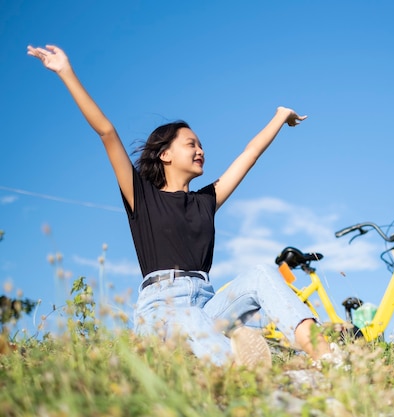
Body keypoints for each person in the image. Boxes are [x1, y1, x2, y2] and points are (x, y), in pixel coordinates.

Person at [27, 44, 335, 368]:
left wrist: (279, 116)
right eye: (191, 144)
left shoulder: (205, 200)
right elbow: (106, 132)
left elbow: (249, 154)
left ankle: (327, 358)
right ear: (165, 154)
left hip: (208, 306)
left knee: (260, 274)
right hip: (161, 312)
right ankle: (244, 373)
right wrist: (65, 72)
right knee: (188, 317)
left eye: (201, 145)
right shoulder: (142, 196)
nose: (201, 150)